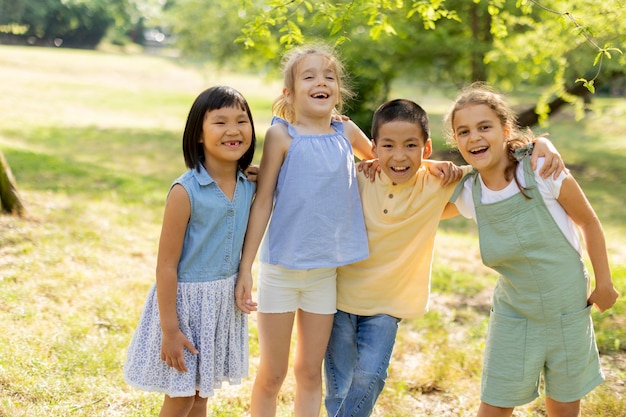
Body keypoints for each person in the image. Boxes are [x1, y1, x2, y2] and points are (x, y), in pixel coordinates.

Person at [324, 98, 566, 417]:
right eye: (388, 146)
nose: (399, 155)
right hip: (337, 298)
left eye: (410, 145)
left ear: (426, 149)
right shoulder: (358, 177)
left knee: (370, 376)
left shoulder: (437, 183)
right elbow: (328, 142)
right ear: (375, 149)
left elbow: (497, 163)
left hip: (387, 306)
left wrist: (542, 144)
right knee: (339, 389)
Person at [445, 82, 619, 417]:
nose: (474, 138)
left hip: (566, 308)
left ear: (505, 129)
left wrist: (604, 283)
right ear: (456, 141)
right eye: (463, 131)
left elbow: (589, 222)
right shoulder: (470, 193)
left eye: (484, 127)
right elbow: (417, 204)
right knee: (495, 404)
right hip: (515, 313)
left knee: (565, 405)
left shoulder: (541, 170)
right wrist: (432, 169)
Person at [234, 43, 376, 417]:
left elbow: (387, 158)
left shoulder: (345, 132)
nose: (321, 82)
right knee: (273, 372)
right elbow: (263, 201)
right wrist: (246, 268)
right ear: (290, 92)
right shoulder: (282, 136)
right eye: (309, 76)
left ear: (338, 90)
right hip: (281, 270)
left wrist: (434, 166)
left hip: (323, 275)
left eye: (329, 76)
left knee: (310, 372)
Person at [123, 86, 257, 417]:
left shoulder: (248, 185)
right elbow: (166, 267)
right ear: (198, 134)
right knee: (181, 396)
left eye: (242, 121)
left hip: (221, 303)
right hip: (185, 307)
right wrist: (170, 330)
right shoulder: (186, 191)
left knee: (200, 395)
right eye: (220, 122)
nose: (233, 130)